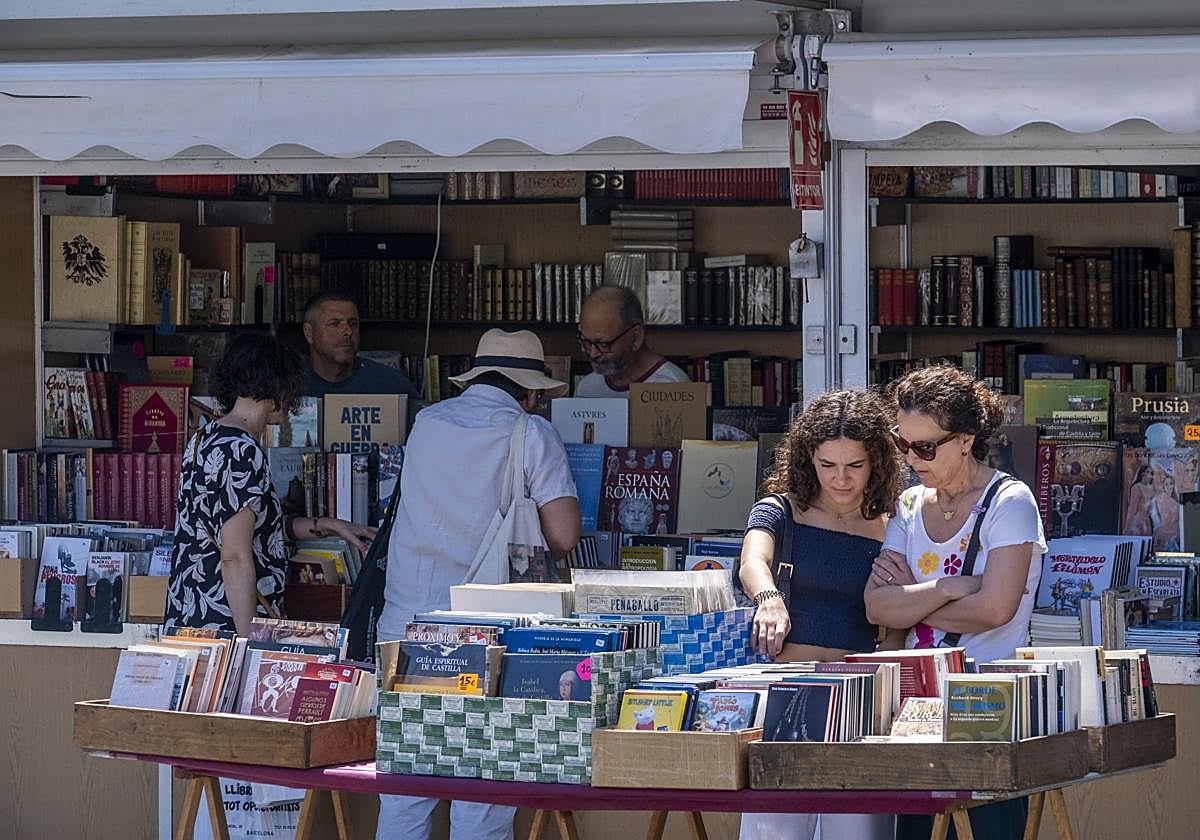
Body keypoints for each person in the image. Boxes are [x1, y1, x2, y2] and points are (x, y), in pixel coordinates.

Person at [376, 328, 581, 840]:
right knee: (482, 789)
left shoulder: (426, 422)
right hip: (485, 630)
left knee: (406, 785)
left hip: (406, 624)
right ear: (531, 392)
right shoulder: (531, 433)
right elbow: (563, 535)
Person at [865, 365, 1047, 840]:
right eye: (902, 444)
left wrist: (911, 598)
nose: (912, 458)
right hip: (917, 705)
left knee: (988, 828)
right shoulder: (908, 505)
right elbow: (876, 609)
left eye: (925, 447)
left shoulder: (1010, 502)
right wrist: (948, 587)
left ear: (965, 439)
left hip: (988, 707)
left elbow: (994, 610)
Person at [737, 389, 903, 840]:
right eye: (828, 465)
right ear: (808, 458)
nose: (841, 480)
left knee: (858, 832)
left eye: (855, 466)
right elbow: (753, 560)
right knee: (774, 830)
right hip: (787, 690)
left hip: (860, 697)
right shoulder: (781, 511)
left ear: (877, 463)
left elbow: (899, 620)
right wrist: (769, 597)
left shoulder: (896, 525)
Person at [163, 333, 375, 636]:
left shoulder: (203, 439)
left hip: (190, 612)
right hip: (225, 621)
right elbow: (234, 556)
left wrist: (326, 525)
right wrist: (249, 641)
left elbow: (250, 527)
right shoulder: (242, 450)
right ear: (279, 387)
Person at [301, 290, 422, 399]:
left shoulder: (391, 384)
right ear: (309, 333)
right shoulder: (288, 383)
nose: (348, 331)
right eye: (334, 324)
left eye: (353, 323)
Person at [574, 285, 690, 397]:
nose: (593, 353)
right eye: (587, 342)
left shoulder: (675, 390)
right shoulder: (586, 389)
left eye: (603, 344)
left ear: (636, 337)